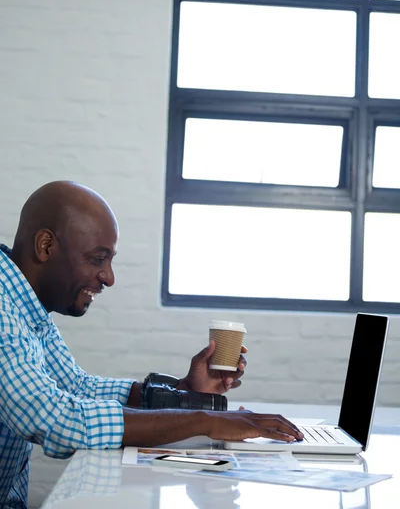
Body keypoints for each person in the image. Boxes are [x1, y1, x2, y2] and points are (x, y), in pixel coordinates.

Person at [0, 181, 303, 508]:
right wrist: (204, 419)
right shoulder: (3, 310)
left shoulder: (27, 307)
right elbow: (54, 417)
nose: (109, 277)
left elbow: (76, 386)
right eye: (97, 259)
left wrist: (185, 392)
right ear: (46, 246)